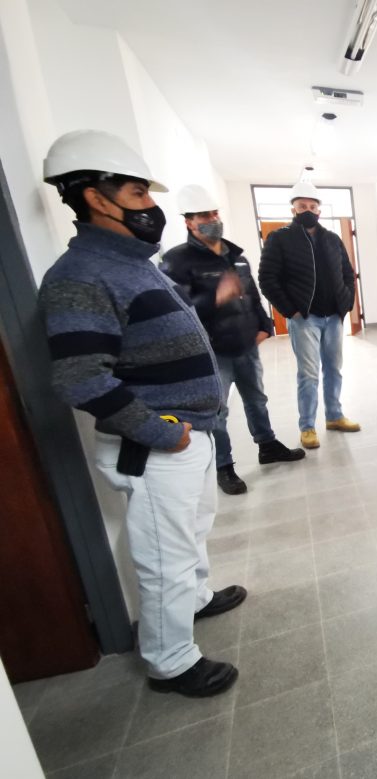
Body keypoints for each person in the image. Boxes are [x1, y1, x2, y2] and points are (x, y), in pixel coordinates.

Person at [38, 130, 244, 697]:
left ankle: (196, 599)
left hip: (189, 432)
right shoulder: (81, 275)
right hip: (155, 444)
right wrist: (160, 433)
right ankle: (171, 661)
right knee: (164, 555)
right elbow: (79, 377)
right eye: (137, 193)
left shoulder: (134, 263)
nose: (151, 206)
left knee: (193, 530)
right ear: (96, 198)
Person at [161, 185, 304, 495]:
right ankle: (224, 466)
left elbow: (251, 295)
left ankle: (267, 445)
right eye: (204, 215)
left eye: (214, 213)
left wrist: (265, 325)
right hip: (211, 352)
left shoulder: (236, 257)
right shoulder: (177, 261)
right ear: (188, 221)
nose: (212, 219)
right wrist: (215, 297)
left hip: (246, 345)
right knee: (218, 412)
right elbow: (173, 310)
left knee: (257, 399)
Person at [258, 181, 360, 449]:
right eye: (302, 205)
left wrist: (346, 304)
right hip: (304, 318)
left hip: (334, 317)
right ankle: (307, 427)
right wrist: (291, 311)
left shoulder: (332, 239)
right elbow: (267, 279)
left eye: (313, 206)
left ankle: (334, 416)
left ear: (319, 210)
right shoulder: (280, 238)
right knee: (309, 374)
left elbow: (347, 273)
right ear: (293, 209)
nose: (308, 210)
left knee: (334, 369)